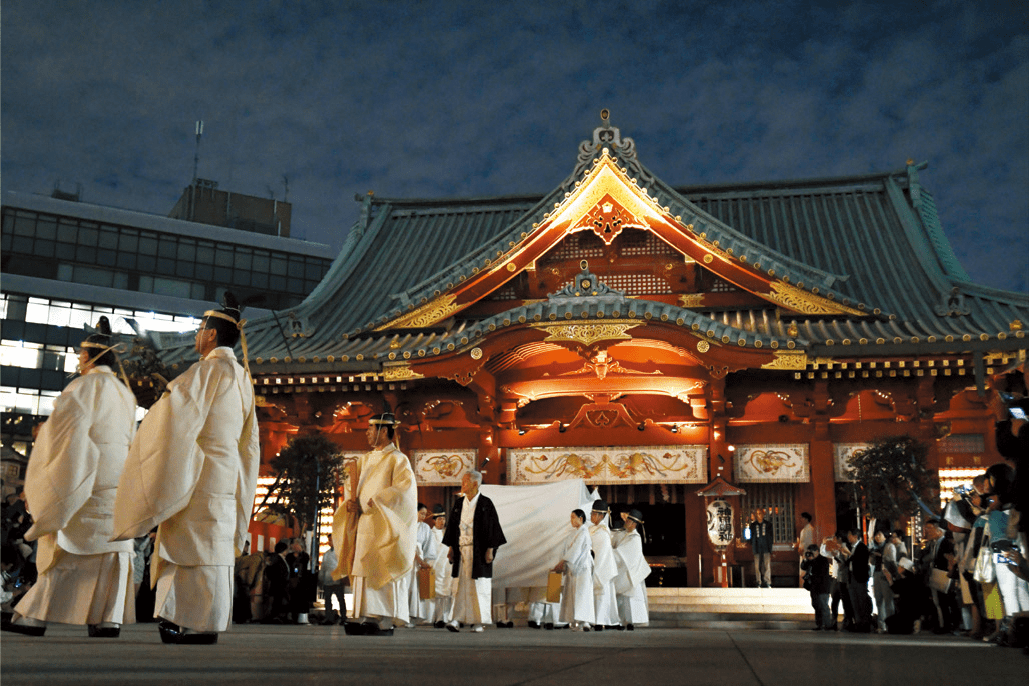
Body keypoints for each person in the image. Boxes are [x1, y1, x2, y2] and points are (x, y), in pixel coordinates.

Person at [111, 296, 261, 645]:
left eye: (199, 330)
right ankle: (208, 623)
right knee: (214, 550)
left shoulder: (207, 371)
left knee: (186, 547)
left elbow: (179, 415)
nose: (196, 336)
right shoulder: (241, 376)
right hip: (225, 475)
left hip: (200, 474)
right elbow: (249, 442)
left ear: (210, 335)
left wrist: (165, 394)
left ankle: (177, 619)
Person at [3, 318, 137, 639]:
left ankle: (32, 618)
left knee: (65, 552)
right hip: (118, 483)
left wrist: (47, 453)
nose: (78, 360)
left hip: (87, 479)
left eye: (81, 354)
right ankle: (107, 620)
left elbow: (67, 437)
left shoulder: (81, 386)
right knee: (110, 555)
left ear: (91, 357)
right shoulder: (125, 393)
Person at [332, 412, 417, 636]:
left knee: (383, 563)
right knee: (362, 565)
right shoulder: (364, 459)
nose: (367, 433)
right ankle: (364, 613)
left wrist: (378, 500)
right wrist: (351, 503)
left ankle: (384, 618)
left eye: (371, 429)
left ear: (384, 431)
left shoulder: (398, 459)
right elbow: (352, 487)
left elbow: (404, 491)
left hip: (383, 524)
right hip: (364, 523)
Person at [443, 470, 506, 633]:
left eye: (465, 482)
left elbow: (493, 528)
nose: (462, 485)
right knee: (460, 585)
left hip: (478, 552)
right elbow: (452, 527)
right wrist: (451, 547)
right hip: (461, 549)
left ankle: (478, 621)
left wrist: (490, 550)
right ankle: (456, 619)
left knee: (478, 586)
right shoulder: (459, 503)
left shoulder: (486, 503)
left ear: (475, 484)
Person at [553, 509, 595, 631]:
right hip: (574, 566)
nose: (571, 520)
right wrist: (564, 561)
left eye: (573, 517)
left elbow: (576, 550)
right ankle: (577, 621)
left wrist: (563, 561)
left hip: (582, 567)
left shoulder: (584, 533)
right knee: (575, 594)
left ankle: (585, 621)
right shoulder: (574, 533)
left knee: (583, 594)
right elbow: (568, 550)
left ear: (580, 519)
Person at [611, 509, 650, 630]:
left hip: (632, 573)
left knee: (631, 599)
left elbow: (622, 554)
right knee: (622, 599)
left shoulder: (635, 538)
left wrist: (608, 553)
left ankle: (631, 621)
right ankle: (622, 621)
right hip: (624, 571)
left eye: (628, 521)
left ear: (634, 524)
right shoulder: (624, 534)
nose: (626, 522)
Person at [589, 500, 619, 630]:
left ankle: (601, 621)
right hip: (594, 566)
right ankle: (597, 620)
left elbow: (601, 553)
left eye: (593, 513)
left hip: (602, 568)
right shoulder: (591, 529)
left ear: (601, 516)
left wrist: (596, 570)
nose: (591, 516)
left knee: (602, 596)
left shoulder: (602, 532)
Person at [408, 503, 439, 626]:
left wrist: (425, 562)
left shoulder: (425, 528)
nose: (423, 516)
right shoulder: (407, 524)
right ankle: (401, 616)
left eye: (425, 514)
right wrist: (419, 560)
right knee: (406, 587)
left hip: (418, 562)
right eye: (421, 513)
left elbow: (429, 547)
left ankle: (412, 616)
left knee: (416, 589)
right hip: (406, 560)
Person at [428, 505, 453, 628]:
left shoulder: (447, 532)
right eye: (439, 519)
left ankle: (446, 617)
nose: (441, 521)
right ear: (434, 520)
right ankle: (437, 618)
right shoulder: (431, 533)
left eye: (443, 519)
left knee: (448, 592)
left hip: (447, 565)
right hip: (436, 566)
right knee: (437, 594)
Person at [883, 558, 923, 634]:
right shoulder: (906, 579)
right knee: (889, 622)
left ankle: (914, 624)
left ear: (904, 569)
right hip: (905, 610)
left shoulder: (909, 581)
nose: (898, 568)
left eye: (900, 566)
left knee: (893, 625)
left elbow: (897, 589)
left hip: (909, 611)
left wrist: (890, 580)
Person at [845, 528, 872, 632]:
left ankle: (864, 624)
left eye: (850, 535)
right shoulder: (851, 548)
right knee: (854, 601)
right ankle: (858, 622)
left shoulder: (862, 547)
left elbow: (861, 562)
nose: (848, 538)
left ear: (855, 536)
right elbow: (849, 563)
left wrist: (850, 554)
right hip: (852, 577)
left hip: (860, 578)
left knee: (861, 601)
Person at [801, 544, 832, 630]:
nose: (810, 554)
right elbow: (803, 567)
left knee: (823, 606)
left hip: (822, 587)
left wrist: (812, 560)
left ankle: (827, 625)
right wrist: (805, 559)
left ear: (817, 551)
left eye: (812, 552)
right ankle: (819, 624)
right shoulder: (810, 560)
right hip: (813, 587)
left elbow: (820, 572)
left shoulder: (823, 560)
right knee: (816, 605)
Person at [319, 534, 346, 625]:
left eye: (331, 540)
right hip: (328, 580)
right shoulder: (326, 554)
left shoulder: (341, 552)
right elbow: (323, 567)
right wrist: (321, 578)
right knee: (327, 600)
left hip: (337, 580)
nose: (329, 542)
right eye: (329, 540)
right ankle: (329, 617)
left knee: (341, 600)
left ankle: (343, 617)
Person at [748, 509, 774, 588]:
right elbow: (750, 536)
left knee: (767, 566)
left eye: (760, 513)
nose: (758, 515)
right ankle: (758, 582)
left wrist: (770, 548)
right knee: (757, 566)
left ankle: (767, 581)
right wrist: (751, 543)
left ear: (763, 514)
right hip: (756, 547)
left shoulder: (768, 524)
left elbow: (771, 537)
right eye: (757, 513)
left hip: (766, 547)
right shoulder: (753, 525)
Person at [795, 512, 815, 587]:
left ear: (806, 519)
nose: (801, 520)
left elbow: (808, 543)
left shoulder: (810, 529)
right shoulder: (804, 530)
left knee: (805, 571)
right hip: (803, 553)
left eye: (802, 518)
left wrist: (802, 549)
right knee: (802, 570)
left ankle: (804, 586)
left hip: (806, 553)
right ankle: (802, 586)